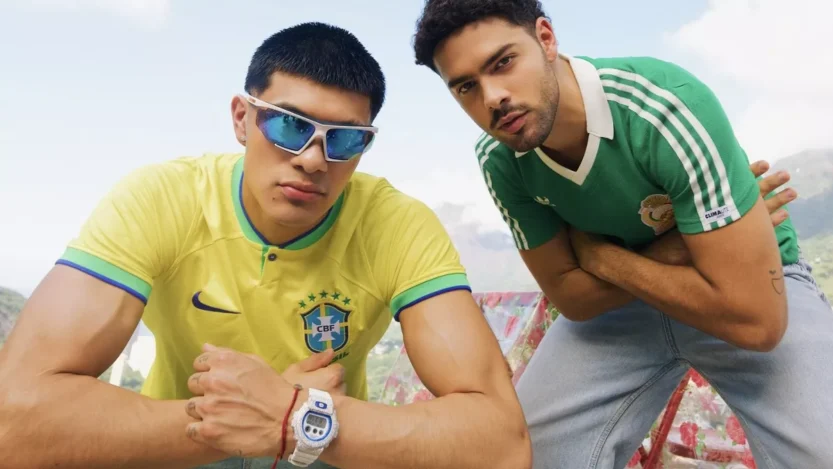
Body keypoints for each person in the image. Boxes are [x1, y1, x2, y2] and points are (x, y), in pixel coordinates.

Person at [0, 22, 531, 469]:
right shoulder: (162, 199)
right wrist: (253, 420)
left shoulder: (396, 225)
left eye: (346, 139)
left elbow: (501, 442)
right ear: (242, 118)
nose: (313, 159)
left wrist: (294, 418)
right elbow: (14, 422)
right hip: (176, 453)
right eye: (289, 125)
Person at [411, 1, 833, 468]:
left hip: (743, 283)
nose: (492, 98)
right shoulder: (500, 159)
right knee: (524, 455)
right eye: (466, 87)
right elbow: (570, 298)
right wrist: (672, 248)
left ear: (546, 38)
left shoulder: (662, 105)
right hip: (619, 311)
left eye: (503, 62)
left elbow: (757, 323)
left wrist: (604, 260)